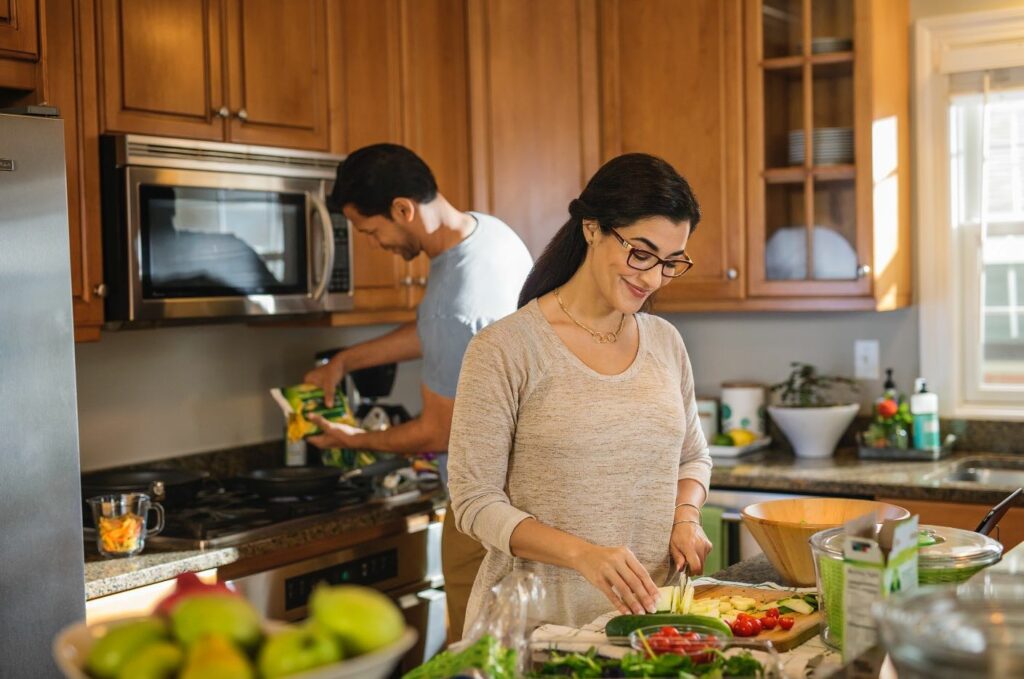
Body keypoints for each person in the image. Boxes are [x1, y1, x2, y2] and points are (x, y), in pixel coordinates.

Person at [447, 153, 713, 631]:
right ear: (592, 228)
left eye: (671, 262)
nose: (652, 278)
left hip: (650, 628)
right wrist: (582, 555)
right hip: (536, 628)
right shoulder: (505, 349)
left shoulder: (665, 342)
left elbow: (693, 458)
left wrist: (686, 517)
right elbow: (474, 503)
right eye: (641, 253)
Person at [302, 143, 533, 641]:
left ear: (403, 209)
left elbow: (439, 430)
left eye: (371, 230)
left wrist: (351, 440)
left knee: (475, 656)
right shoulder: (492, 235)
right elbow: (442, 333)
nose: (374, 243)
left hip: (483, 509)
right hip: (529, 498)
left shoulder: (452, 300)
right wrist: (344, 361)